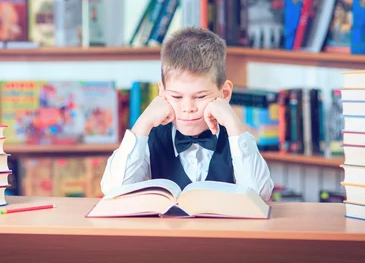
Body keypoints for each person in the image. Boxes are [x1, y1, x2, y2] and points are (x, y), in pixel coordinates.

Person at [100, 27, 274, 200]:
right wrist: (142, 123)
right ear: (162, 92)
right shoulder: (151, 137)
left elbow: (260, 195)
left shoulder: (235, 138)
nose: (188, 108)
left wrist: (234, 124)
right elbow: (114, 190)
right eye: (176, 96)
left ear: (225, 93)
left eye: (200, 96)